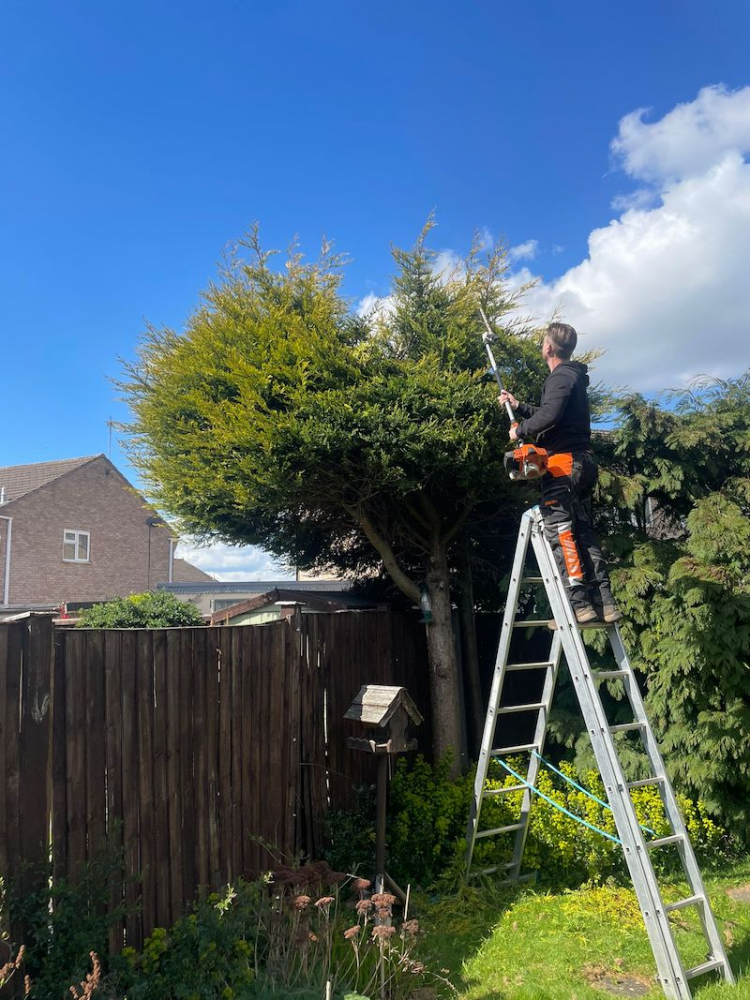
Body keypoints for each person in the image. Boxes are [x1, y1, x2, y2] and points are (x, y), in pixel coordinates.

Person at [499, 322, 622, 625]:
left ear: (549, 348)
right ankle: (605, 602)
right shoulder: (572, 378)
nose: (542, 345)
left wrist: (520, 431)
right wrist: (520, 406)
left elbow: (550, 415)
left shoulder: (560, 377)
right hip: (581, 464)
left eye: (543, 342)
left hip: (564, 467)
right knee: (582, 532)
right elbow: (553, 414)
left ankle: (578, 605)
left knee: (562, 532)